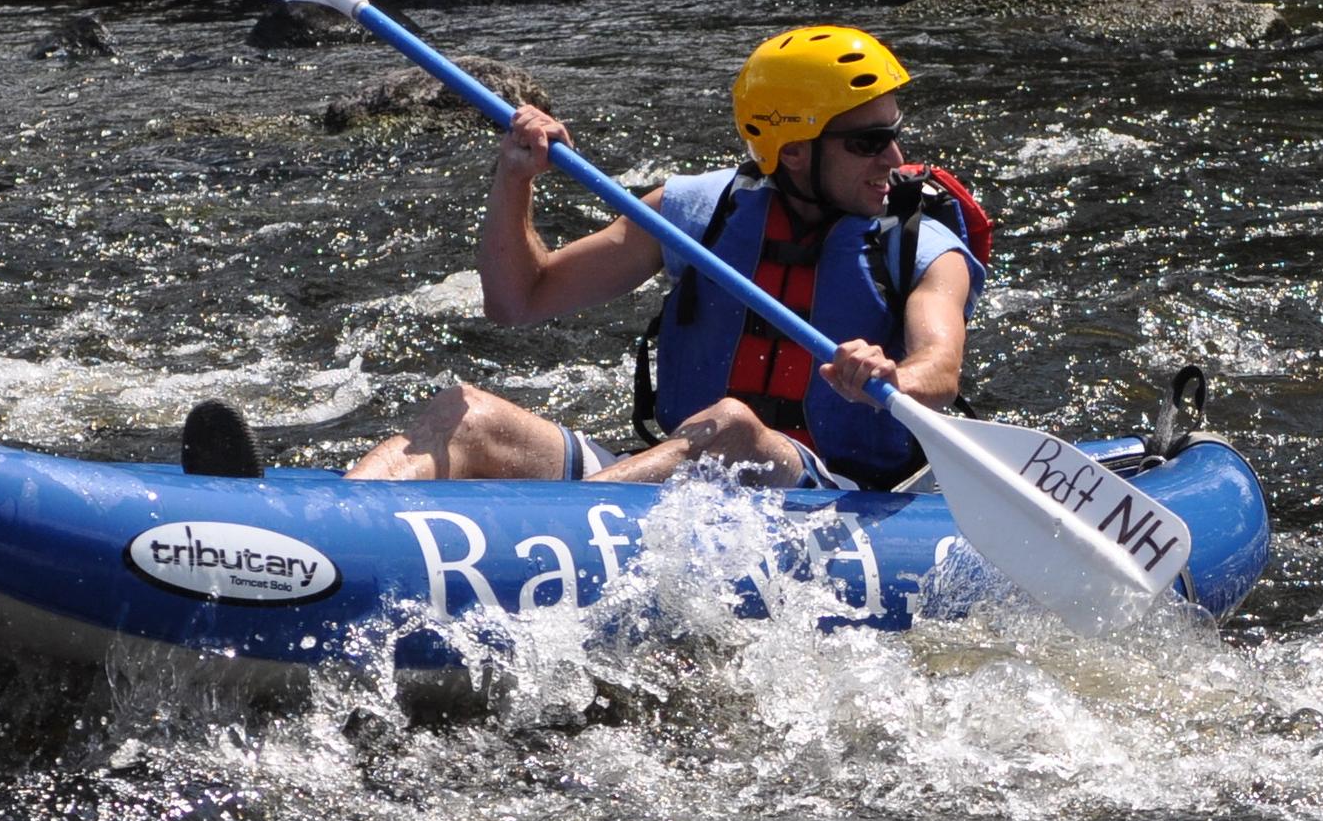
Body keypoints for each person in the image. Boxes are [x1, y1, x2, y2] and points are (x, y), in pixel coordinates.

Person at [341, 25, 980, 490]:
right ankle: (329, 530)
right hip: (669, 482)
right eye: (868, 141)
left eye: (893, 136)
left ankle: (561, 530)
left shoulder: (918, 244)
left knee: (732, 426)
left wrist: (892, 375)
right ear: (792, 150)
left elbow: (939, 371)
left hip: (836, 500)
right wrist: (516, 177)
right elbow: (517, 300)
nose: (893, 161)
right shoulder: (696, 212)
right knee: (466, 414)